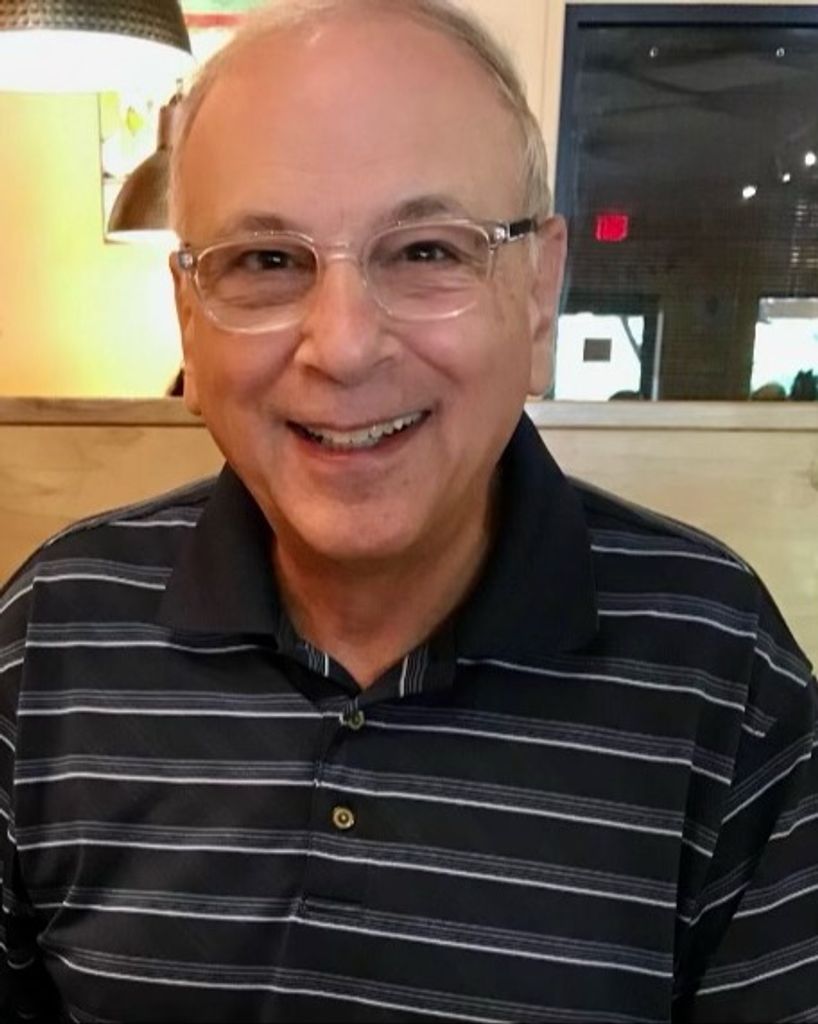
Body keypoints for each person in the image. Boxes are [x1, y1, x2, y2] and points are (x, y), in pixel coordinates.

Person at [1, 1, 816, 1020]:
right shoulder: (53, 634)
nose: (344, 347)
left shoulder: (722, 671)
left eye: (427, 251)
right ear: (188, 318)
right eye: (266, 261)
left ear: (538, 291)